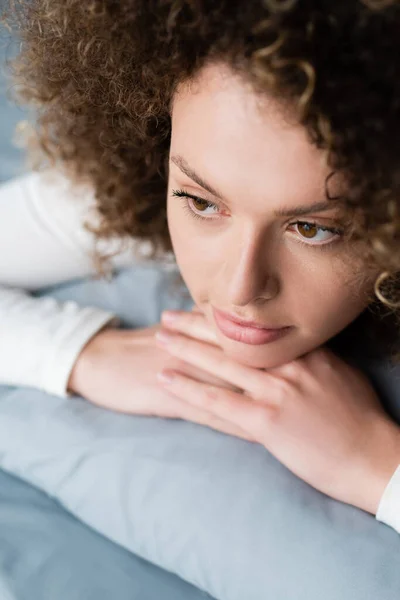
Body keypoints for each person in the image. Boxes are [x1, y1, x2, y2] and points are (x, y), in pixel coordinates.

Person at [1, 0, 400, 533]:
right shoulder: (136, 188)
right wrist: (82, 354)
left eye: (313, 228)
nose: (241, 288)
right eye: (203, 204)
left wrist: (374, 467)